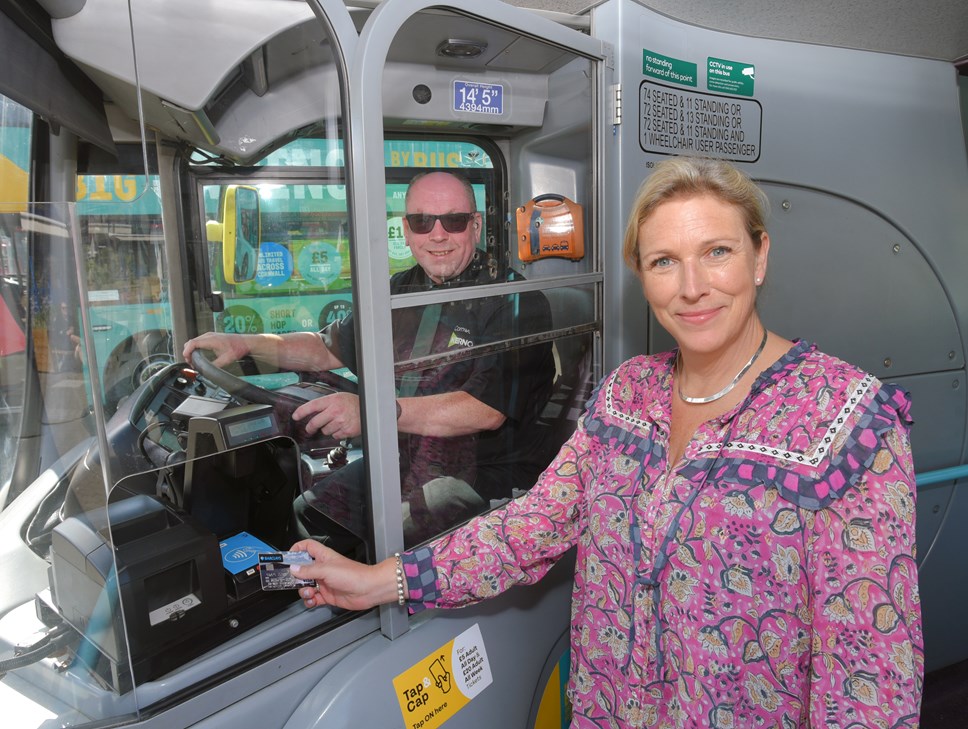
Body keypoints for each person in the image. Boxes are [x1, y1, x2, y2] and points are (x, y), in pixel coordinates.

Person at [286, 157, 923, 727]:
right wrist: (382, 582)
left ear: (760, 256)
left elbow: (869, 674)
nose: (692, 286)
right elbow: (526, 531)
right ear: (642, 276)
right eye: (664, 261)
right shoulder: (628, 396)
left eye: (718, 252)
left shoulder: (845, 420)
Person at [184, 171, 555, 544]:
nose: (438, 235)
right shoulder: (400, 291)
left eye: (454, 221)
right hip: (407, 462)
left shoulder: (516, 300)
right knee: (308, 513)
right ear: (407, 232)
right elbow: (327, 347)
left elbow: (484, 411)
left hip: (482, 475)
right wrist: (245, 344)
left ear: (474, 227)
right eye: (422, 222)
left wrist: (372, 412)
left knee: (378, 540)